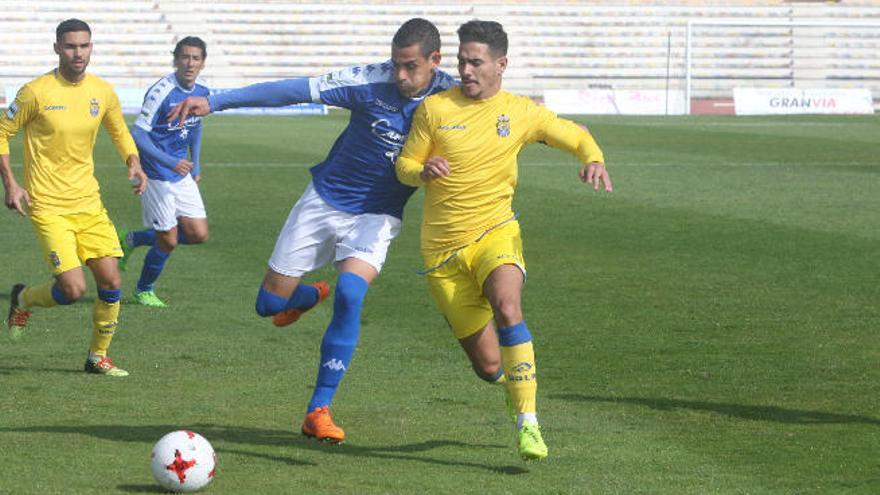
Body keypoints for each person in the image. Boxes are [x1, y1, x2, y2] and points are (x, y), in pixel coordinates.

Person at [167, 18, 456, 443]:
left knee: (351, 293)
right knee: (268, 305)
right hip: (323, 201)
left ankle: (318, 409)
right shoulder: (367, 81)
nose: (400, 75)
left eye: (410, 66)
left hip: (378, 214)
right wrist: (218, 101)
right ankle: (307, 296)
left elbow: (502, 117)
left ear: (435, 60)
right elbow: (294, 90)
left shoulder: (453, 94)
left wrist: (560, 135)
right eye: (396, 64)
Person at [396, 20, 613, 460]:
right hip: (442, 254)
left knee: (508, 305)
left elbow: (572, 132)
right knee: (488, 367)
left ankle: (528, 423)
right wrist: (422, 171)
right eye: (462, 61)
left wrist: (592, 157)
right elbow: (404, 164)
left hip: (496, 232)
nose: (466, 69)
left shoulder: (521, 111)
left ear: (501, 64)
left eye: (476, 62)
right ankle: (515, 380)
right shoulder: (435, 110)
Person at [1, 19, 148, 376]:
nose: (77, 53)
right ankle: (22, 299)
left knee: (112, 282)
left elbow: (118, 130)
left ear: (91, 47)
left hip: (89, 203)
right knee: (71, 288)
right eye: (70, 46)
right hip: (48, 206)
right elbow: (2, 133)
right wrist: (11, 184)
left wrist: (134, 162)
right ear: (57, 48)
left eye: (83, 46)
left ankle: (97, 357)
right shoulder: (35, 92)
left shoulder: (102, 91)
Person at [118, 37, 211, 308]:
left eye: (195, 58)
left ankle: (132, 238)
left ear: (203, 63)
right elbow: (138, 133)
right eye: (185, 57)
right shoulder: (161, 91)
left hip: (180, 174)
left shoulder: (203, 92)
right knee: (168, 240)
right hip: (156, 173)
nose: (190, 63)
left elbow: (196, 126)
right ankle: (143, 290)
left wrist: (197, 164)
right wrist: (170, 161)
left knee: (198, 234)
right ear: (175, 59)